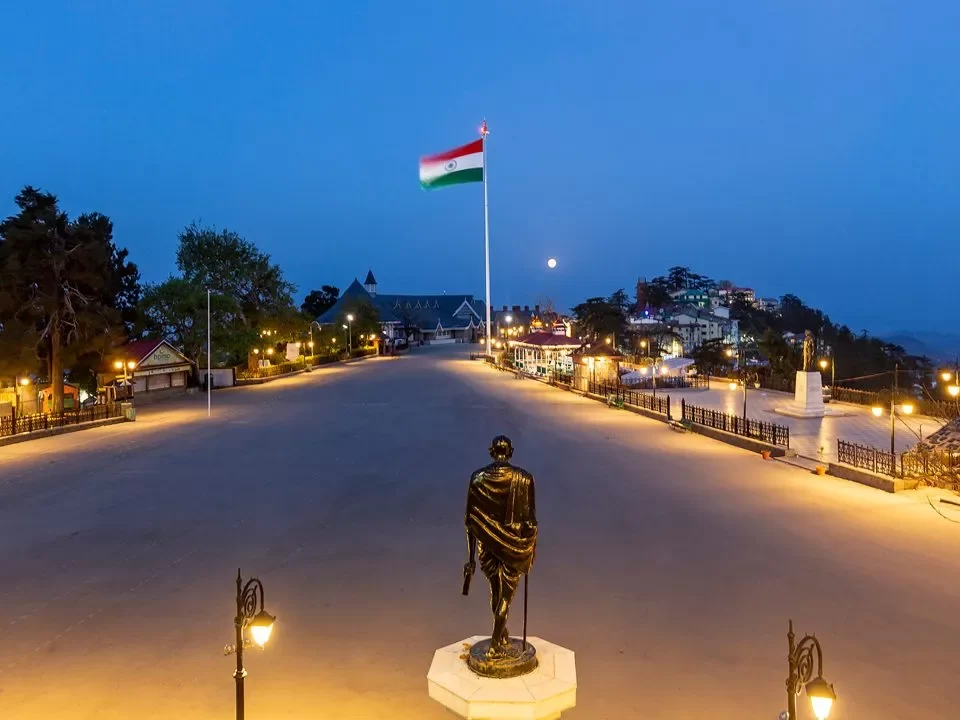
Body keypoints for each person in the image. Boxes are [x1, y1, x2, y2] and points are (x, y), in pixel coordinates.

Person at [463, 435, 538, 657]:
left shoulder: (477, 479)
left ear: (491, 451)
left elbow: (470, 523)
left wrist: (470, 559)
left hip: (486, 548)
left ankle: (501, 631)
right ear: (511, 452)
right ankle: (496, 644)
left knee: (496, 590)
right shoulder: (524, 478)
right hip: (513, 547)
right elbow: (530, 520)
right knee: (505, 595)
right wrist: (529, 541)